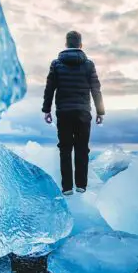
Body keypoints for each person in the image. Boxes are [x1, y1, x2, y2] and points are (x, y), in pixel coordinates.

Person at [42, 30, 105, 195]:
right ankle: (81, 185)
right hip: (83, 112)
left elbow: (50, 88)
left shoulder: (56, 64)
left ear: (66, 44)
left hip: (63, 112)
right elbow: (95, 89)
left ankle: (67, 188)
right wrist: (100, 111)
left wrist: (46, 109)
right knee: (82, 148)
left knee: (65, 149)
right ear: (80, 45)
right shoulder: (89, 64)